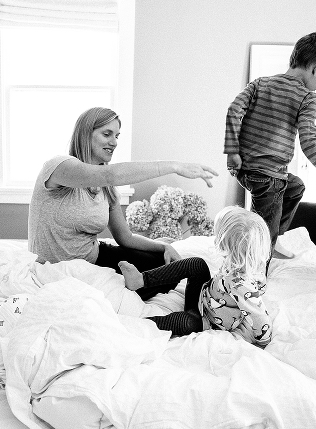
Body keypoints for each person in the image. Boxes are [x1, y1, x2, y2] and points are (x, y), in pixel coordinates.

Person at [28, 107, 218, 299]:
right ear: (85, 134)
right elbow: (110, 175)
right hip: (58, 269)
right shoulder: (59, 167)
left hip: (94, 256)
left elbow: (125, 237)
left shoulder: (107, 188)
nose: (114, 142)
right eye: (107, 134)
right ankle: (125, 290)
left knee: (167, 266)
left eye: (117, 135)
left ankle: (134, 284)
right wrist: (175, 166)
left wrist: (163, 247)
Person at [224, 32, 316, 260]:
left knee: (295, 186)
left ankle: (273, 238)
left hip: (245, 171)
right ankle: (253, 278)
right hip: (269, 177)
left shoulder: (260, 84)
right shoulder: (306, 97)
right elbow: (309, 143)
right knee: (262, 240)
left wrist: (233, 153)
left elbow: (233, 111)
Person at [120, 205, 273, 348]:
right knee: (197, 264)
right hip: (203, 296)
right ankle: (140, 280)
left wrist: (263, 342)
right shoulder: (237, 262)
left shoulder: (243, 285)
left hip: (206, 320)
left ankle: (137, 325)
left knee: (187, 323)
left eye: (217, 237)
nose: (214, 240)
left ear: (227, 248)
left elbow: (260, 317)